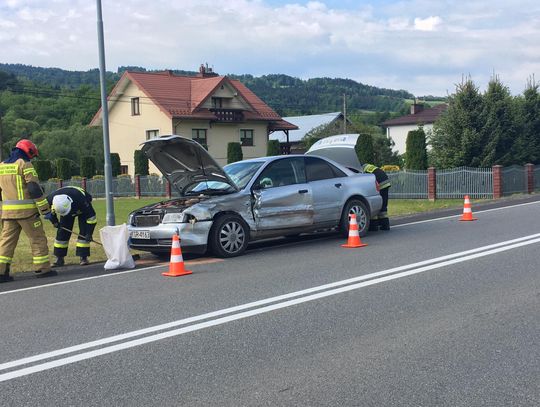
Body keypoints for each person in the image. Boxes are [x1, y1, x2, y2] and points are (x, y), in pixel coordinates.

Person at [0, 139, 56, 283]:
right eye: (32, 154)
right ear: (28, 151)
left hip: (7, 213)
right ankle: (42, 269)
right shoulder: (25, 164)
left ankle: (1, 273)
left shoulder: (2, 166)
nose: (32, 157)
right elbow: (34, 189)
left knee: (6, 242)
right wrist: (45, 210)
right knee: (37, 239)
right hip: (27, 214)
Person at [46, 186, 97, 266]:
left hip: (81, 208)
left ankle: (83, 257)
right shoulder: (50, 199)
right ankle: (59, 258)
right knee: (62, 232)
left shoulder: (82, 200)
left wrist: (89, 233)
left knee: (84, 232)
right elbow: (48, 212)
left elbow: (92, 218)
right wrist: (55, 222)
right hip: (65, 209)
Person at [362, 163, 391, 231]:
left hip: (379, 183)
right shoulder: (368, 166)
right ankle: (385, 225)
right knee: (383, 205)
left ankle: (373, 226)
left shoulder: (361, 170)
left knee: (374, 204)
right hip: (385, 181)